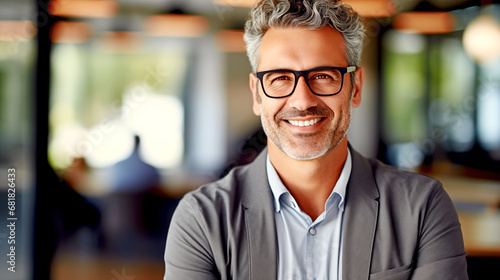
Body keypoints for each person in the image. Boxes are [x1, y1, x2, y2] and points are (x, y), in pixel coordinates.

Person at [163, 0, 468, 279]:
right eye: (280, 77)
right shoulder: (202, 218)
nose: (303, 100)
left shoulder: (421, 206)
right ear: (257, 94)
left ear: (355, 87)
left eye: (323, 75)